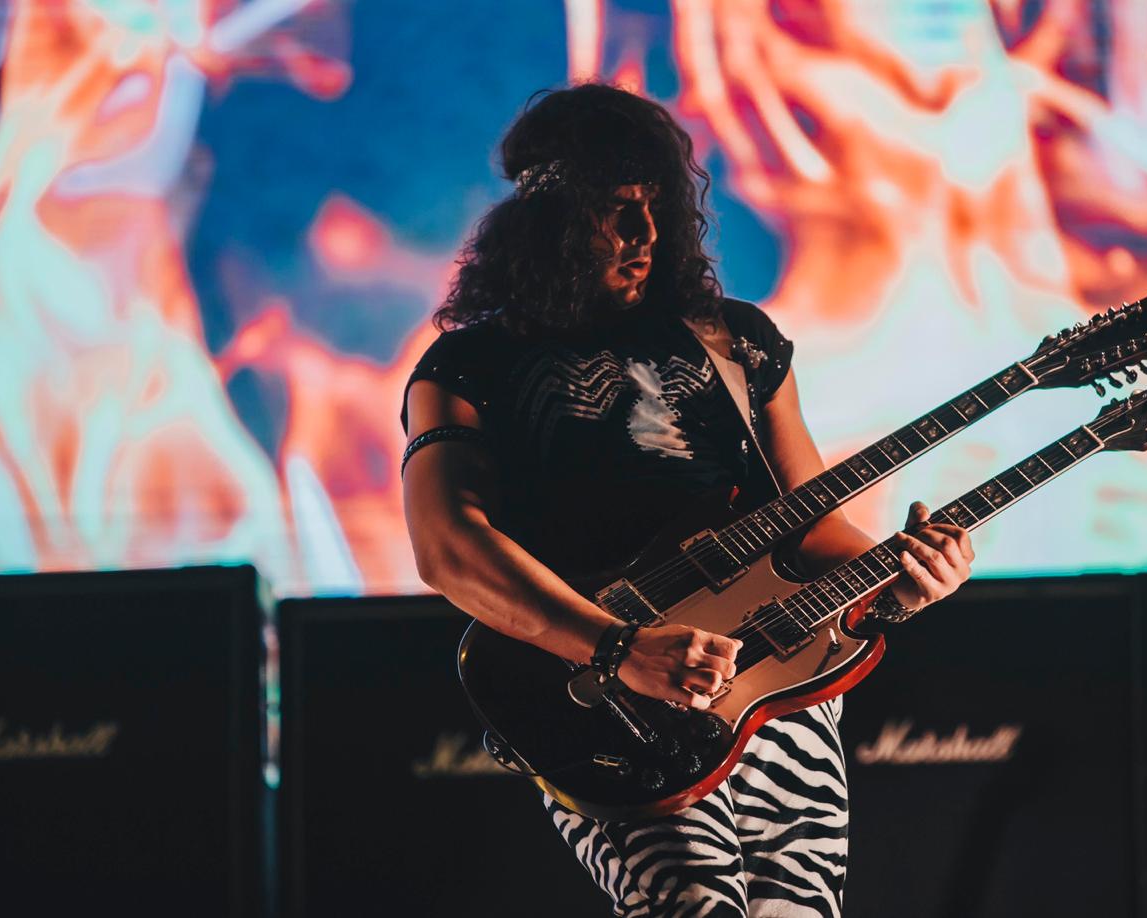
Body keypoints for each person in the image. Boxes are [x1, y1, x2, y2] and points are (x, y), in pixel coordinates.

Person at [400, 83, 974, 917]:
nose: (645, 232)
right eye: (614, 209)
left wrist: (904, 581)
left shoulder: (739, 342)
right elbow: (448, 548)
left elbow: (816, 530)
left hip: (780, 687)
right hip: (614, 702)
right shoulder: (468, 366)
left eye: (657, 204)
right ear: (547, 217)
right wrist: (619, 649)